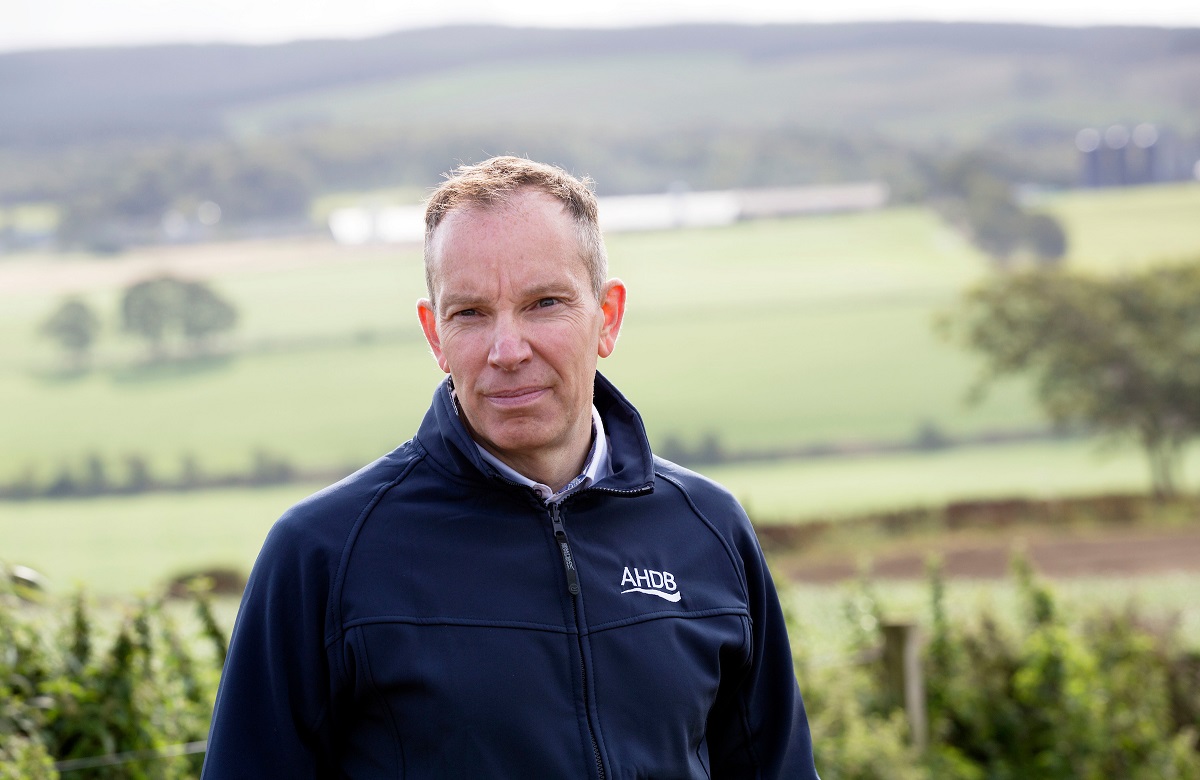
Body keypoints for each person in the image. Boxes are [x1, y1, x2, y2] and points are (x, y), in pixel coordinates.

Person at [202, 156, 820, 779]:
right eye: (470, 313)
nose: (507, 350)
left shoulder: (708, 529)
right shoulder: (324, 555)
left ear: (607, 317)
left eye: (544, 303)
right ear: (434, 335)